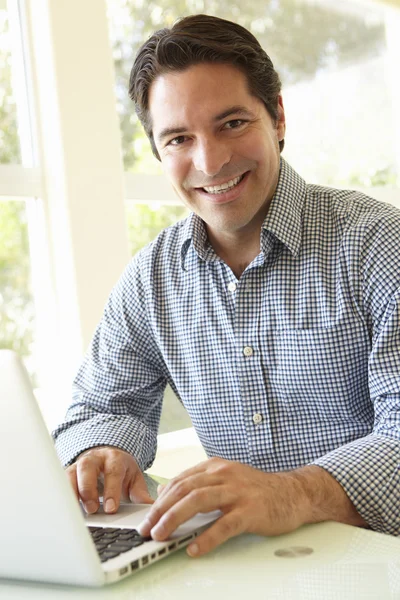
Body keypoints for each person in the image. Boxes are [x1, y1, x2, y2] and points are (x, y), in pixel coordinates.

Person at [53, 14, 400, 558]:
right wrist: (103, 449)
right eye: (179, 138)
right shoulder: (151, 280)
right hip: (240, 570)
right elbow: (99, 405)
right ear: (157, 151)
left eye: (232, 123)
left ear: (278, 116)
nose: (210, 160)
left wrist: (293, 495)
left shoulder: (380, 245)